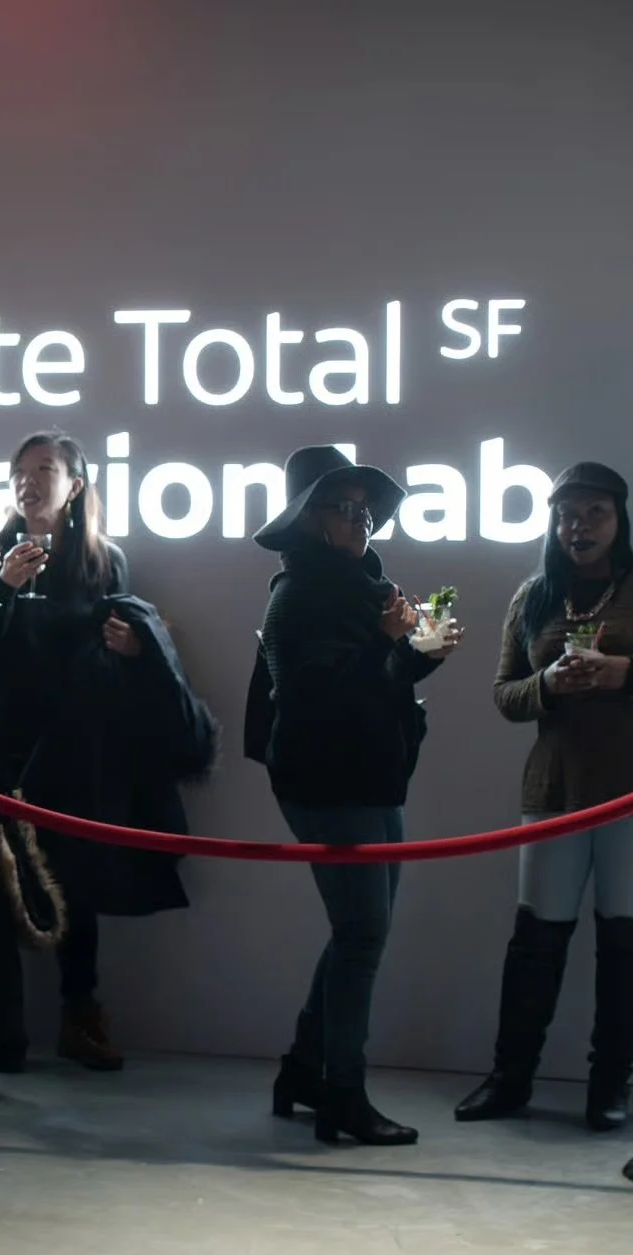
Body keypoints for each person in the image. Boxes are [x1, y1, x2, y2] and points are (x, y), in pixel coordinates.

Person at [457, 462, 633, 1131]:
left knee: (625, 939)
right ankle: (509, 1079)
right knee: (535, 941)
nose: (578, 527)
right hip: (554, 790)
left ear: (619, 517)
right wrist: (550, 684)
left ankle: (611, 1089)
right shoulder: (534, 595)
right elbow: (504, 696)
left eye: (594, 513)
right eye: (567, 515)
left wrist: (625, 673)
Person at [253, 445, 462, 1146]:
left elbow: (380, 683)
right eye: (343, 508)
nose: (361, 519)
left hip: (372, 775)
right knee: (363, 935)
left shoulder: (364, 586)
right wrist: (387, 645)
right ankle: (341, 1093)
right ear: (308, 520)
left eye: (364, 508)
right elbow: (319, 700)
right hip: (327, 779)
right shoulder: (299, 594)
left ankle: (305, 1072)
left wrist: (419, 650)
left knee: (358, 933)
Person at [0, 432, 188, 1073]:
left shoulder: (103, 559)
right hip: (4, 743)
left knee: (75, 886)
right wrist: (1, 585)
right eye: (20, 470)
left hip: (76, 747)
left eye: (45, 470)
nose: (28, 481)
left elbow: (116, 634)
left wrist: (133, 647)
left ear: (75, 485)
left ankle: (79, 1015)